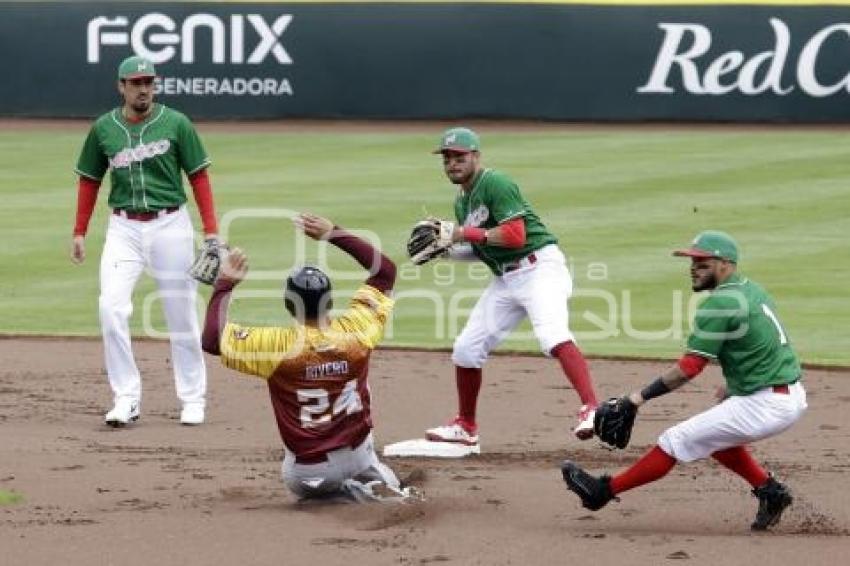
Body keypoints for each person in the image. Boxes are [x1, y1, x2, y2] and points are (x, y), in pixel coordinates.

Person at [561, 230, 807, 531]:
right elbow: (767, 343)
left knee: (674, 440)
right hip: (786, 393)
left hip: (767, 403)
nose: (694, 267)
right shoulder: (750, 290)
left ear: (725, 264)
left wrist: (636, 399)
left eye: (703, 262)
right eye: (692, 261)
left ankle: (601, 493)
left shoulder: (719, 304)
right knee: (714, 436)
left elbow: (689, 368)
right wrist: (738, 386)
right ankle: (771, 492)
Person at [201, 213, 415, 502]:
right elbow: (385, 271)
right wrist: (333, 233)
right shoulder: (357, 332)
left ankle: (345, 494)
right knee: (377, 473)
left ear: (289, 305)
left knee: (310, 486)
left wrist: (224, 284)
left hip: (309, 474)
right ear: (330, 300)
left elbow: (213, 340)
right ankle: (371, 486)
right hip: (359, 457)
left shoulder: (277, 347)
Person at [423, 127, 600, 446]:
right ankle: (466, 426)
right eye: (447, 158)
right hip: (506, 279)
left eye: (459, 156)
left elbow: (515, 236)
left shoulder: (495, 183)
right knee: (466, 350)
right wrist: (446, 252)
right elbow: (484, 248)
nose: (452, 163)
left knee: (552, 335)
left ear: (476, 156)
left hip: (540, 268)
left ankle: (592, 408)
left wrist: (463, 233)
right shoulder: (461, 201)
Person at [71, 55, 219, 427]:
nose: (143, 89)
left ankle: (192, 398)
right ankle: (126, 398)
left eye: (148, 82)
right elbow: (89, 179)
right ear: (121, 86)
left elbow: (199, 177)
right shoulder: (104, 128)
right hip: (123, 230)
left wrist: (212, 230)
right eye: (135, 82)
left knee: (180, 312)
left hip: (171, 225)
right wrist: (79, 231)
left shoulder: (176, 123)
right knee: (111, 307)